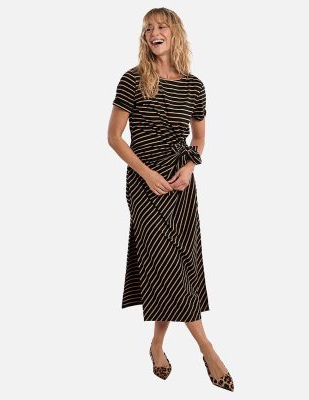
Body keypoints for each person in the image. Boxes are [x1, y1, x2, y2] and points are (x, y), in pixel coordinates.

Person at [107, 7, 234, 392]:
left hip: (179, 185)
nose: (153, 33)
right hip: (145, 185)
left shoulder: (194, 86)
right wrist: (146, 173)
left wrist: (190, 167)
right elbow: (114, 137)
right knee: (167, 261)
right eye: (148, 28)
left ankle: (157, 344)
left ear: (174, 33)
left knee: (177, 263)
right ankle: (208, 348)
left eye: (160, 26)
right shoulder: (133, 79)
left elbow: (199, 137)